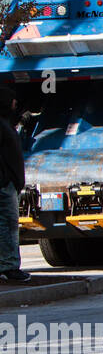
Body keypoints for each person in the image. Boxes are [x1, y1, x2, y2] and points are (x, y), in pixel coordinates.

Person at [0, 87, 30, 282]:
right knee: (9, 224)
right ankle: (10, 267)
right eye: (12, 100)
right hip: (4, 185)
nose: (15, 103)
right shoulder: (1, 126)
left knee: (6, 224)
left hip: (7, 183)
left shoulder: (5, 124)